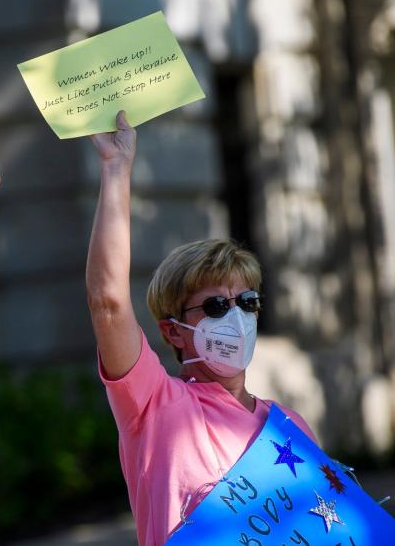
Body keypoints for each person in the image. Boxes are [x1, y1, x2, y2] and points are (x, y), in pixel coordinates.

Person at [85, 111, 317, 546]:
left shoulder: (291, 427)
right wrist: (117, 171)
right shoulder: (153, 405)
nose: (236, 317)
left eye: (247, 301)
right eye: (214, 305)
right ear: (173, 331)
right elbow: (109, 304)